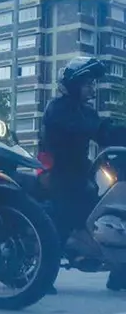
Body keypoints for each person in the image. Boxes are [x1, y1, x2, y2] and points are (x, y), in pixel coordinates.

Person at [39, 56, 126, 292]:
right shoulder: (58, 109)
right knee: (65, 215)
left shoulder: (85, 111)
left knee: (111, 210)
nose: (92, 88)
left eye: (93, 83)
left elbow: (106, 134)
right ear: (74, 84)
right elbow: (91, 129)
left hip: (82, 172)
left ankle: (120, 271)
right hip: (59, 173)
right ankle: (42, 275)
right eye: (87, 83)